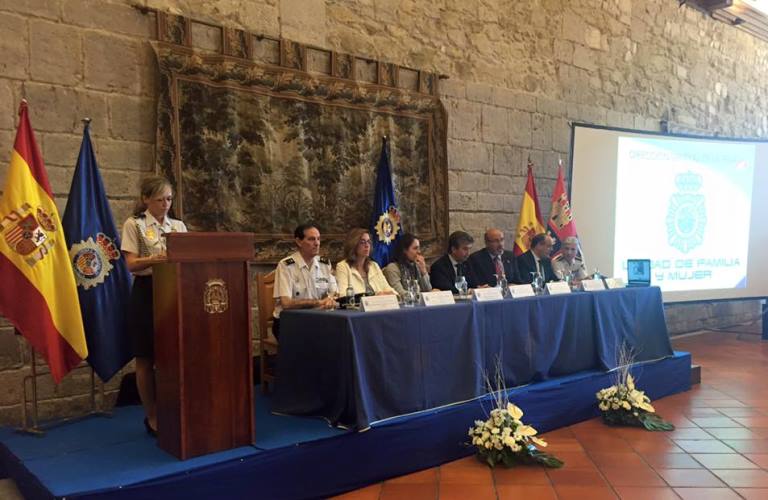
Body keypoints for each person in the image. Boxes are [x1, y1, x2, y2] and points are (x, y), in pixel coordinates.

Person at [121, 175, 187, 437]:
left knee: (174, 356)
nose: (165, 204)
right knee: (146, 358)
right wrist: (155, 259)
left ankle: (177, 410)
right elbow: (131, 264)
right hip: (147, 292)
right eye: (160, 200)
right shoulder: (134, 224)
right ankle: (152, 415)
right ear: (146, 199)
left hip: (174, 293)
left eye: (169, 199)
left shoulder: (178, 226)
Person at [272, 223, 338, 338]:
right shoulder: (286, 265)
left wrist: (330, 300)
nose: (317, 243)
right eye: (311, 239)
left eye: (318, 239)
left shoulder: (324, 264)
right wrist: (318, 303)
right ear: (299, 241)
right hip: (290, 321)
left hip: (318, 318)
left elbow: (335, 293)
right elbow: (286, 303)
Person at [336, 228, 397, 296]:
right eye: (362, 242)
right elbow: (343, 295)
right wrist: (376, 296)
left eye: (368, 242)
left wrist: (393, 294)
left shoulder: (374, 265)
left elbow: (389, 289)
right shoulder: (342, 267)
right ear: (353, 245)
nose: (367, 245)